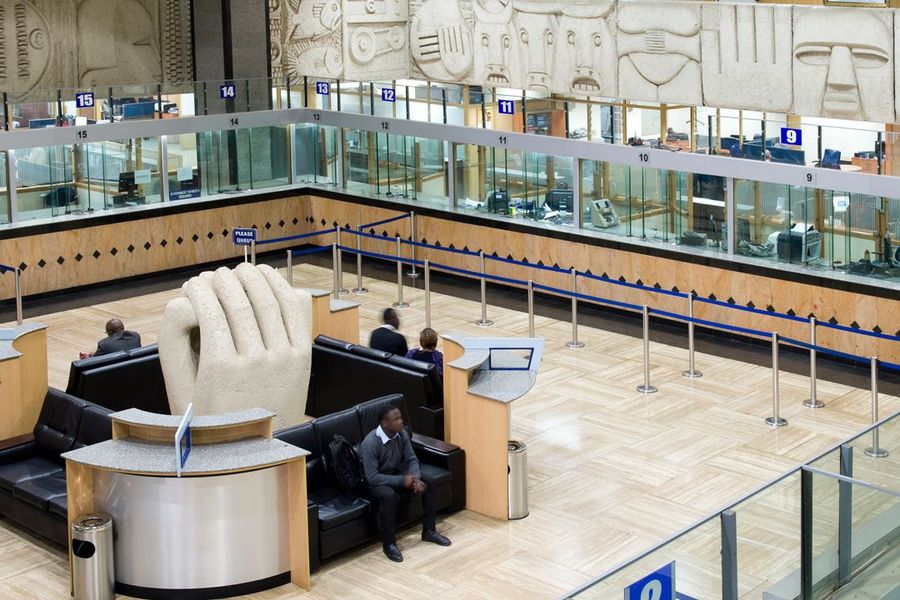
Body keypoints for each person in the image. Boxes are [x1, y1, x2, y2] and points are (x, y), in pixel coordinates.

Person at [361, 404, 451, 562]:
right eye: (396, 419)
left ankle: (429, 531)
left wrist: (415, 478)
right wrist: (403, 481)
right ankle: (389, 544)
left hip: (395, 473)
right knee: (388, 495)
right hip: (376, 482)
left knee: (428, 480)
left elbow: (411, 459)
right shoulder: (370, 443)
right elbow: (372, 477)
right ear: (385, 423)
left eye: (400, 417)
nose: (401, 421)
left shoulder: (401, 435)